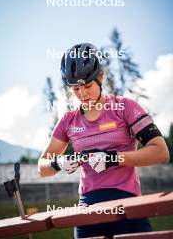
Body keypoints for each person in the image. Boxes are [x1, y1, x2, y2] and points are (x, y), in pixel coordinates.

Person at [38, 43, 170, 238]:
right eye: (75, 89)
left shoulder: (125, 107)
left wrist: (113, 158)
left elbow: (161, 152)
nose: (82, 94)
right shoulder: (68, 120)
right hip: (88, 209)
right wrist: (58, 163)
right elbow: (42, 168)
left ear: (100, 77)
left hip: (128, 204)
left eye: (88, 86)